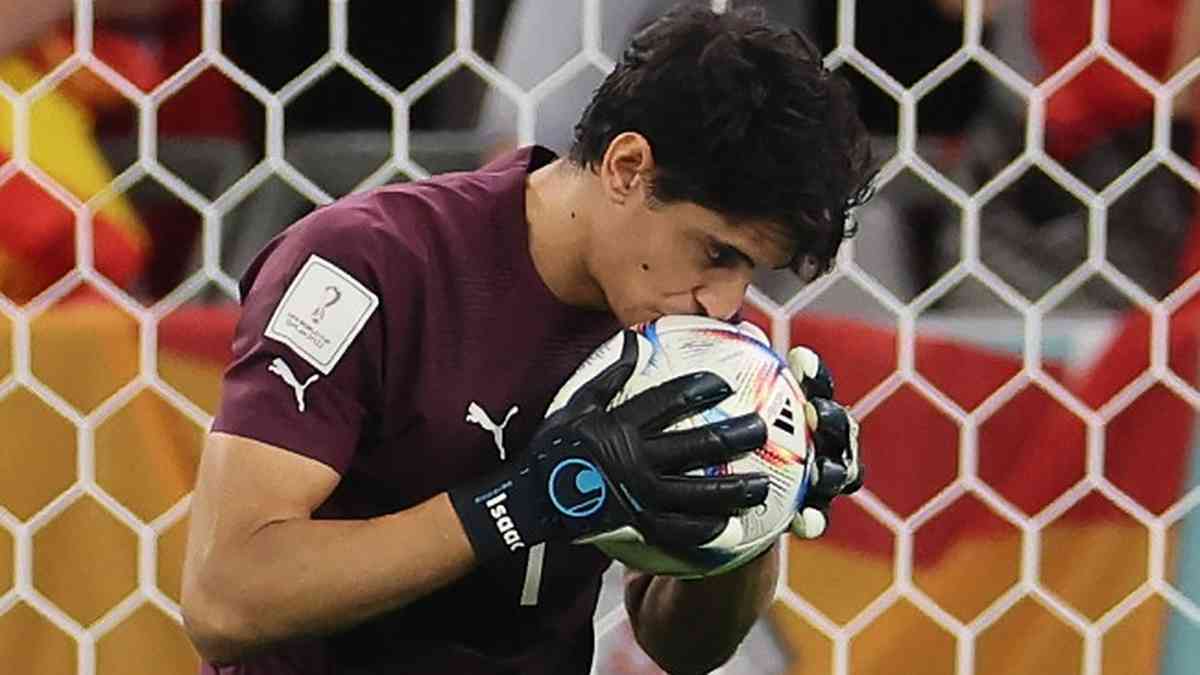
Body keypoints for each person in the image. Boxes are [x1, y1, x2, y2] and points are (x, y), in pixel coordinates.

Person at [179, 3, 874, 674]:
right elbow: (225, 598)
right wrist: (523, 502)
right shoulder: (365, 265)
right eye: (717, 253)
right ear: (626, 167)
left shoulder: (684, 336)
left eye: (751, 270)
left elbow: (681, 647)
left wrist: (758, 509)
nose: (724, 302)